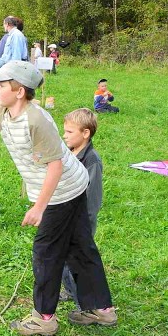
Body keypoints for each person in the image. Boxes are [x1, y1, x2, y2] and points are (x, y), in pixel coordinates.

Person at [0, 60, 117, 336]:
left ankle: (44, 318)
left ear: (20, 91)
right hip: (65, 188)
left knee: (46, 253)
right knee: (80, 247)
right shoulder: (1, 111)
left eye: (1, 84)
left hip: (63, 191)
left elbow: (56, 166)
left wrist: (39, 207)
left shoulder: (36, 120)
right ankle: (102, 310)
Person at [60, 109, 104, 305]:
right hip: (65, 217)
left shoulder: (91, 160)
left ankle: (87, 305)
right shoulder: (69, 153)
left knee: (76, 263)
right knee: (61, 259)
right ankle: (71, 291)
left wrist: (82, 224)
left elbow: (92, 198)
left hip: (81, 221)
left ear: (85, 133)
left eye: (69, 132)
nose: (64, 135)